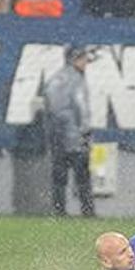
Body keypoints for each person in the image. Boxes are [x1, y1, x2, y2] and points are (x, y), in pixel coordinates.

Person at [42, 46, 95, 217]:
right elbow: (65, 108)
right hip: (70, 136)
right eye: (82, 59)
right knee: (80, 177)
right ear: (74, 59)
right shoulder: (71, 79)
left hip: (63, 135)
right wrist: (80, 130)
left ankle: (60, 210)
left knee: (62, 177)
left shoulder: (61, 78)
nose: (85, 63)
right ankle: (84, 211)